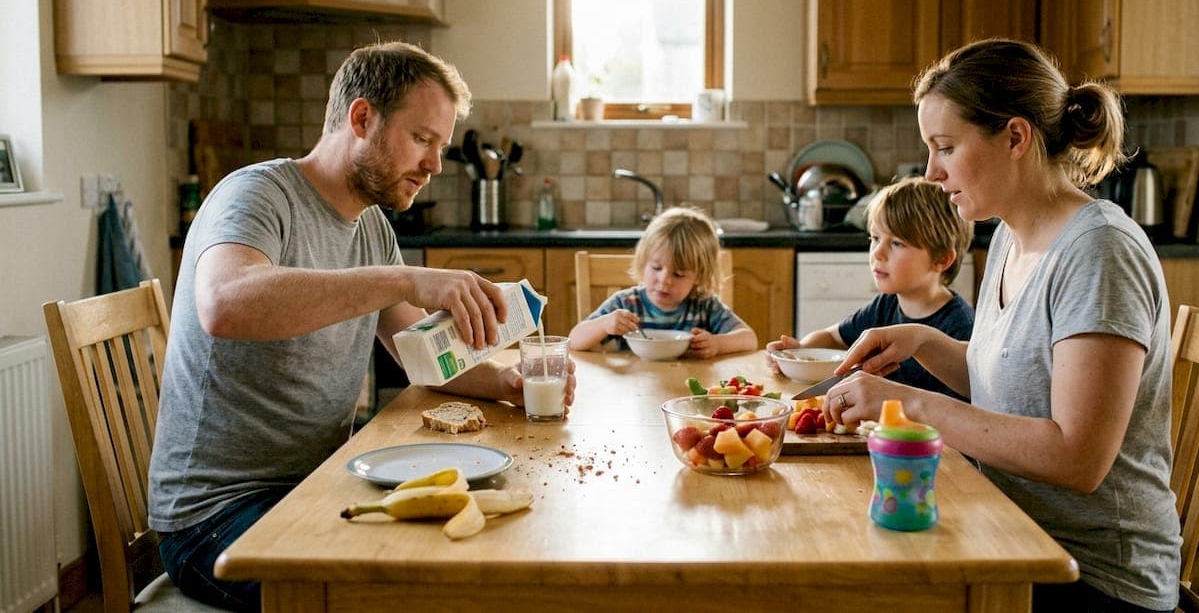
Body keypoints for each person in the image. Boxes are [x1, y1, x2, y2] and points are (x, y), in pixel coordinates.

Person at [148, 42, 576, 612]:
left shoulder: (370, 226)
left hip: (316, 485)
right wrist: (404, 280)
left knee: (472, 547)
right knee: (405, 592)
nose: (434, 165)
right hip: (217, 516)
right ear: (361, 118)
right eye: (422, 139)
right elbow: (225, 304)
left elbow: (418, 357)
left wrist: (504, 383)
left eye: (441, 146)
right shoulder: (257, 195)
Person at [825, 38, 1179, 612]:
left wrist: (910, 403)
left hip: (1090, 577)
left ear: (1015, 137)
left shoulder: (1099, 252)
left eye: (945, 147)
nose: (932, 173)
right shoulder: (1014, 237)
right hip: (1010, 533)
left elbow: (1077, 458)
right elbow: (1016, 382)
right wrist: (926, 342)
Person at [766, 176, 973, 400]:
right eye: (875, 238)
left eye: (896, 243)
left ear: (941, 259)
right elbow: (833, 337)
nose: (877, 253)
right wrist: (798, 353)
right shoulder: (886, 305)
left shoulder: (960, 327)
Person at [567, 205, 757, 357]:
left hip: (687, 395)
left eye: (679, 274)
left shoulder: (704, 305)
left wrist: (718, 344)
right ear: (644, 261)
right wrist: (604, 324)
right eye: (656, 268)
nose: (664, 281)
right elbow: (574, 340)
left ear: (699, 275)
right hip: (633, 393)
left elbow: (749, 339)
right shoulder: (627, 303)